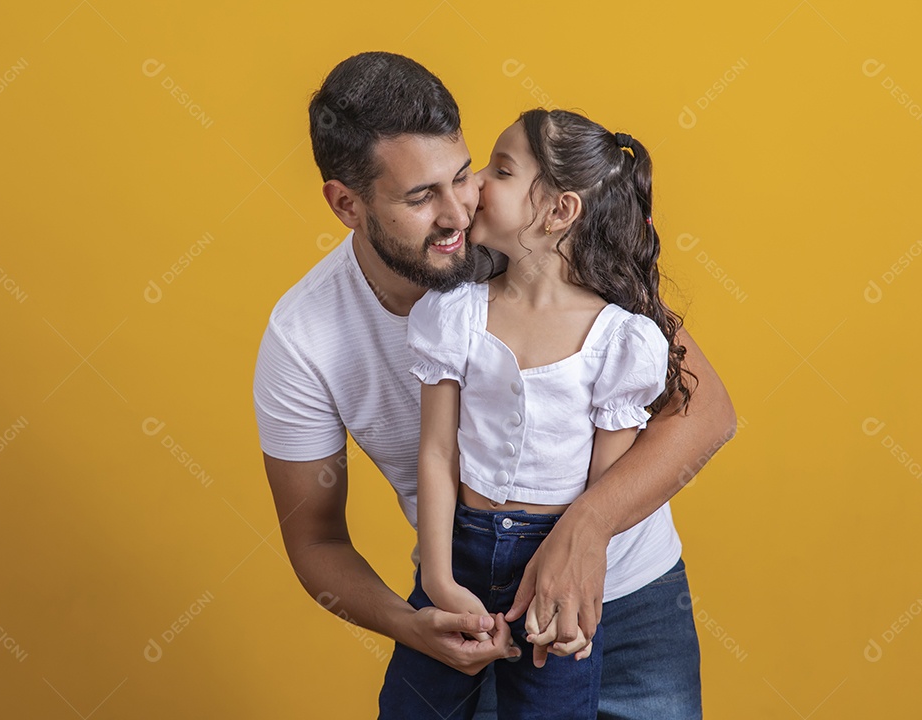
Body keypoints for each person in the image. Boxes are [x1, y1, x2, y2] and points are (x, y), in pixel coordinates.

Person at [253, 51, 737, 719]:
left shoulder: (539, 256)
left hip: (633, 608)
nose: (459, 211)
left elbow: (707, 411)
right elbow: (315, 542)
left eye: (463, 174)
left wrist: (588, 528)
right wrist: (411, 620)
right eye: (422, 197)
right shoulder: (304, 337)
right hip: (475, 614)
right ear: (346, 203)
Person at [376, 108, 689, 719]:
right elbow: (438, 454)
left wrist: (576, 604)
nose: (477, 184)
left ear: (558, 210)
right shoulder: (455, 314)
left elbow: (605, 496)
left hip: (554, 574)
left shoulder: (620, 340)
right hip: (459, 550)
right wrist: (438, 580)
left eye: (502, 169)